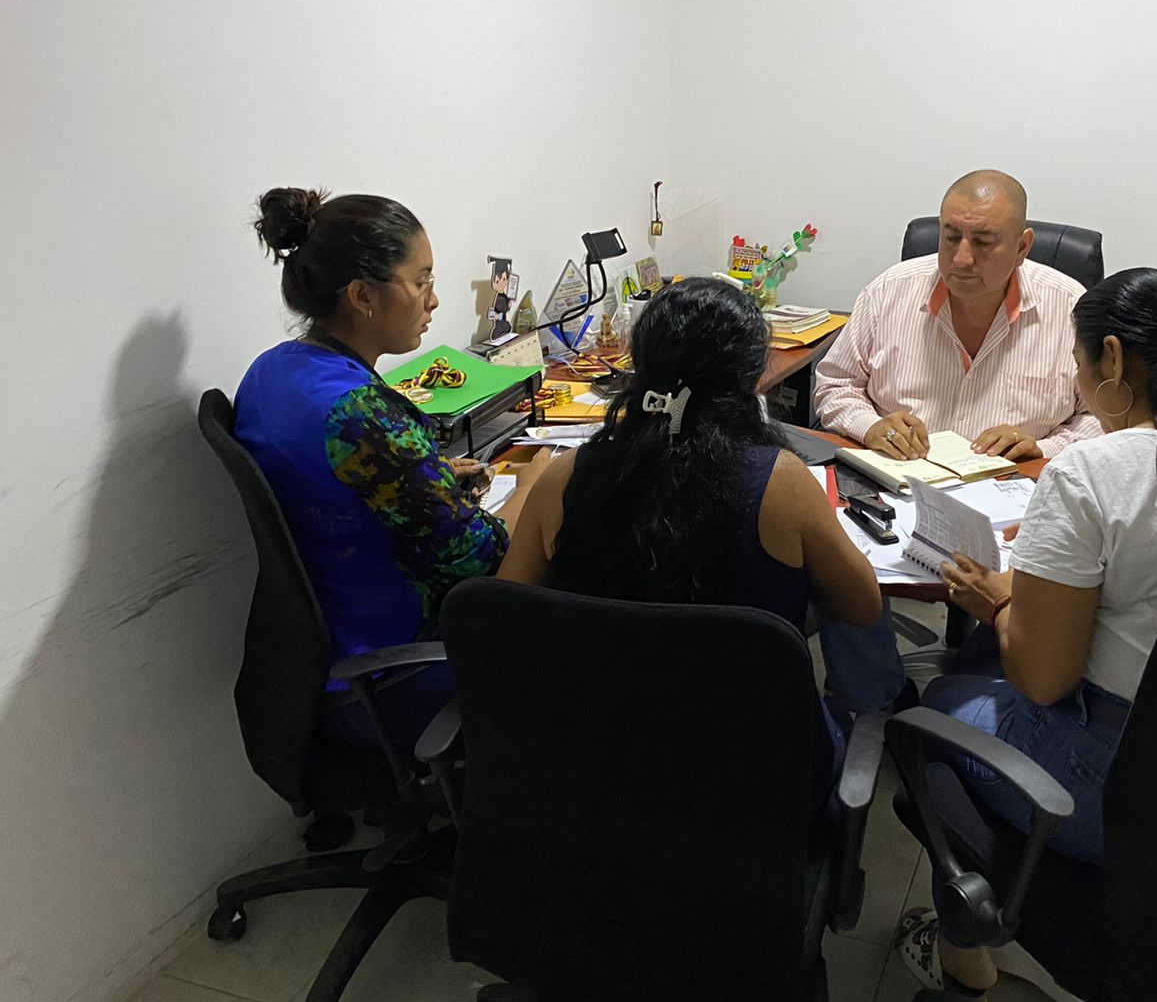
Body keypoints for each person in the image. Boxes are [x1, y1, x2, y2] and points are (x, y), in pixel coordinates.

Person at [892, 268, 1157, 997]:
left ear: (1114, 359)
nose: (1077, 379)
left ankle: (966, 959)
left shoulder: (1093, 472)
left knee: (936, 708)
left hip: (1129, 787)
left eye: (1078, 362)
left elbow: (1044, 680)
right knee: (984, 670)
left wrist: (998, 602)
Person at [497, 277, 883, 810]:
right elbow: (862, 606)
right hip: (754, 779)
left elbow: (509, 616)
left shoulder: (565, 477)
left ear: (637, 365)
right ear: (752, 379)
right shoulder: (782, 483)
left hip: (598, 767)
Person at [234, 188, 545, 752]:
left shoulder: (273, 371)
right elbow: (484, 561)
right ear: (361, 296)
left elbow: (334, 477)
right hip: (397, 672)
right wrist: (535, 486)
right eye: (421, 282)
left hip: (325, 653)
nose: (434, 300)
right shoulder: (360, 416)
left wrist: (430, 474)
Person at [814, 169, 1102, 713]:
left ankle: (978, 696)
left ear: (1023, 246)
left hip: (1018, 509)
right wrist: (870, 424)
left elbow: (1103, 419)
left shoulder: (1070, 308)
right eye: (951, 237)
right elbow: (833, 384)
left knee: (1057, 582)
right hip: (895, 497)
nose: (961, 258)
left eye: (983, 242)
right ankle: (877, 699)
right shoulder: (891, 291)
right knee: (829, 557)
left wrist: (1046, 448)